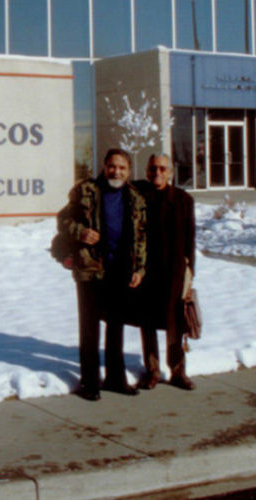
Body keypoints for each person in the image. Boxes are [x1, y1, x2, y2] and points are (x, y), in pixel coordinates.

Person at [57, 148, 147, 401]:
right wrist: (80, 232)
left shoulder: (135, 198)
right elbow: (62, 220)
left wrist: (139, 268)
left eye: (121, 167)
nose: (116, 171)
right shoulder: (85, 190)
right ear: (104, 166)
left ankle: (115, 379)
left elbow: (141, 237)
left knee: (116, 326)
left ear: (129, 171)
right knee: (89, 327)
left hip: (120, 270)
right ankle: (89, 382)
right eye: (111, 166)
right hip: (89, 269)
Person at [132, 153, 197, 391]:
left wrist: (190, 273)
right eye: (152, 169)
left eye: (162, 168)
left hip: (174, 270)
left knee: (175, 322)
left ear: (170, 172)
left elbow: (190, 238)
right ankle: (152, 370)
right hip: (147, 270)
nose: (156, 173)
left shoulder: (182, 199)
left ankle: (178, 371)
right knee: (147, 322)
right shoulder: (138, 196)